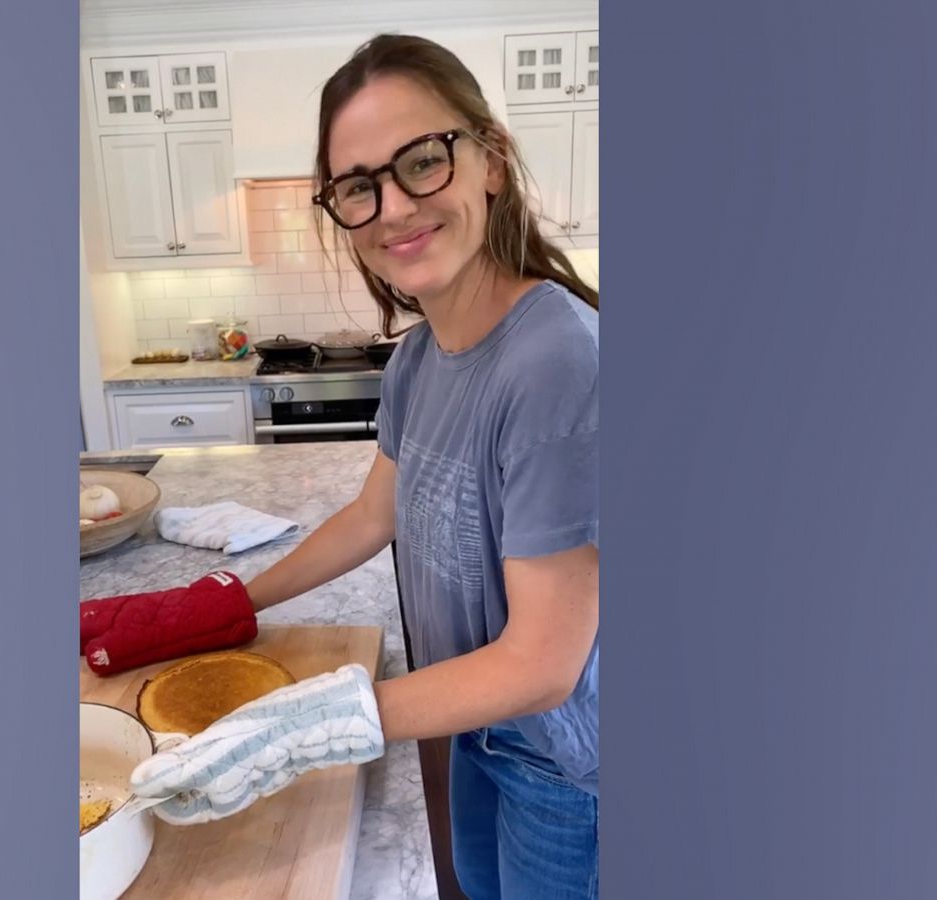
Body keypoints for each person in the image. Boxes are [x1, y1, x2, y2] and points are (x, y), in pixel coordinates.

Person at [79, 33, 599, 899]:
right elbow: (371, 517)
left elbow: (543, 662)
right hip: (472, 726)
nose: (392, 207)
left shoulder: (558, 363)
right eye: (360, 186)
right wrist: (228, 604)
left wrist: (321, 721)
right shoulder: (419, 360)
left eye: (422, 161)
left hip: (557, 763)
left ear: (491, 164)